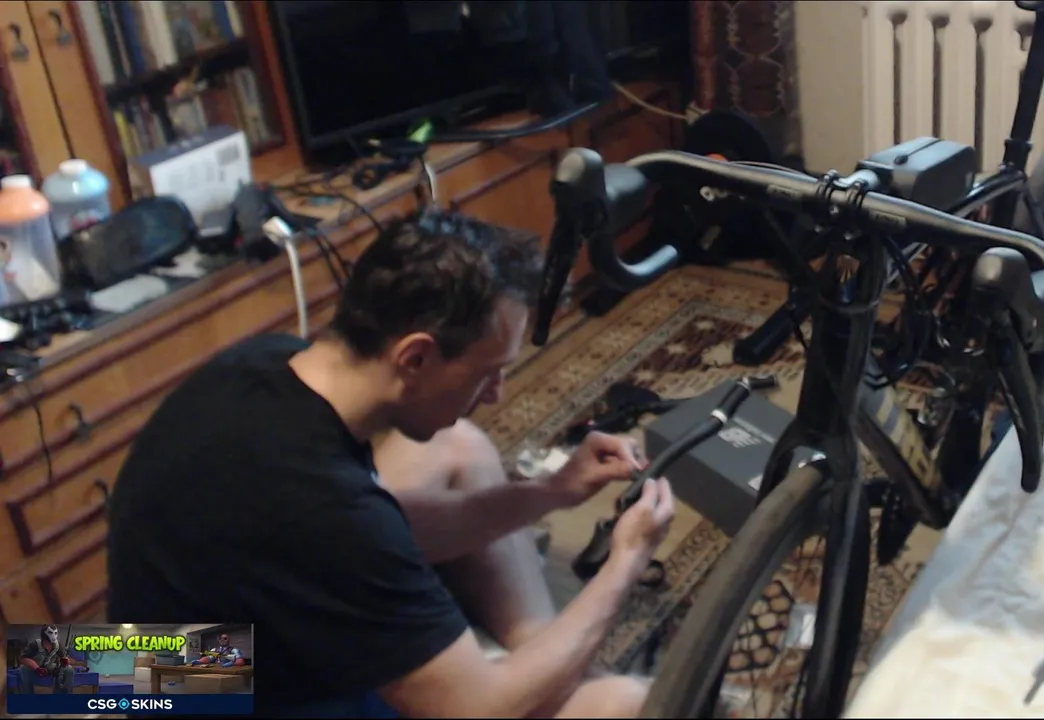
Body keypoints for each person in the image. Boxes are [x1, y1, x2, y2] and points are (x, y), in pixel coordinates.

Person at [107, 209, 676, 718]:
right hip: (194, 684)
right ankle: (551, 676)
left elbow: (385, 528)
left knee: (462, 446)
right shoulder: (327, 512)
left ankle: (544, 656)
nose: (498, 392)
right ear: (416, 358)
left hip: (122, 660)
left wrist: (552, 490)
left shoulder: (270, 361)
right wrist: (625, 562)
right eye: (488, 372)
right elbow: (476, 709)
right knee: (625, 705)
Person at [17, 625, 74, 694]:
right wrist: (37, 668)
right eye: (50, 632)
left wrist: (66, 661)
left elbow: (65, 658)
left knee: (69, 669)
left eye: (55, 633)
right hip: (35, 669)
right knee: (23, 668)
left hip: (50, 668)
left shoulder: (58, 645)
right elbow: (23, 658)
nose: (53, 635)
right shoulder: (35, 644)